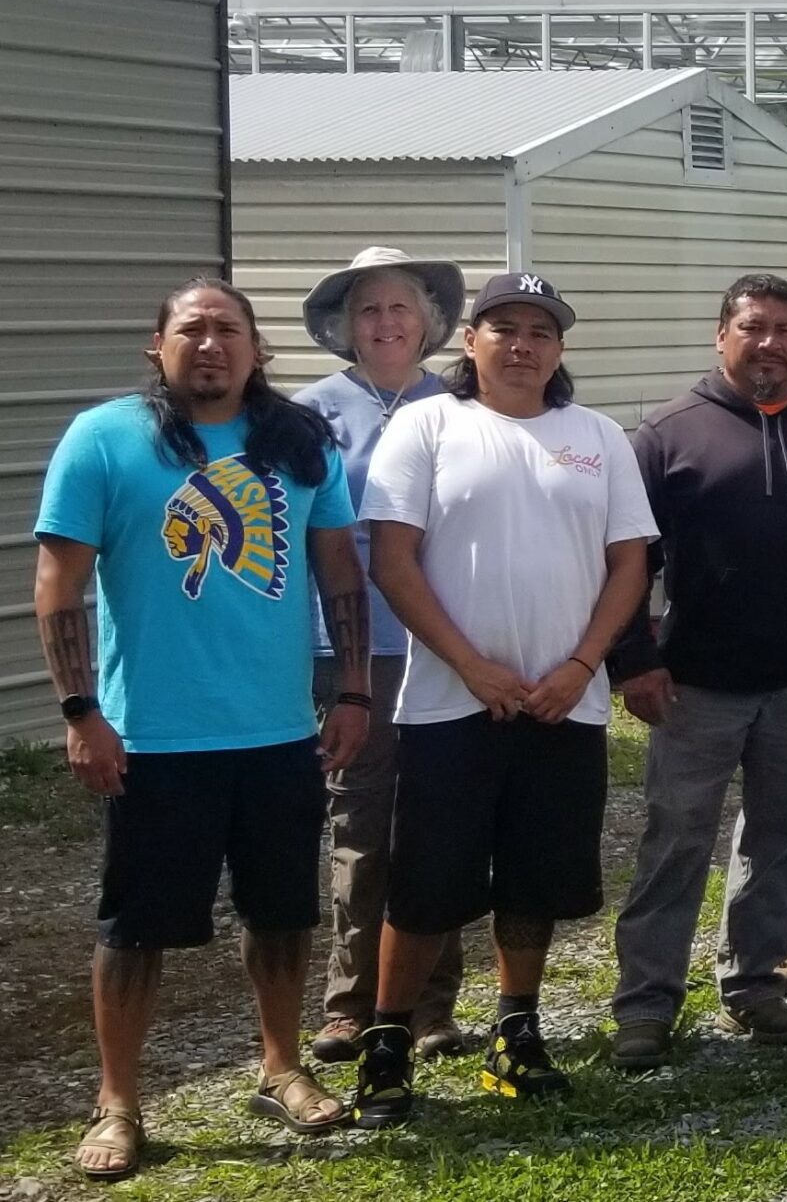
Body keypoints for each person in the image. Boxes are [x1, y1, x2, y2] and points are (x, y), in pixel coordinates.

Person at [36, 279, 366, 1178]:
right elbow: (59, 586)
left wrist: (353, 694)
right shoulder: (104, 438)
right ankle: (118, 1102)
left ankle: (282, 1066)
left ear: (256, 349)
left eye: (229, 329)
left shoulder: (299, 443)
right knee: (135, 925)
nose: (211, 344)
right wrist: (80, 713)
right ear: (158, 346)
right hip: (152, 741)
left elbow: (340, 574)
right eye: (192, 329)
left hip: (274, 734)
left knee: (283, 913)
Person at [350, 272, 656, 1125]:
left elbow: (630, 562)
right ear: (471, 340)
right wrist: (472, 666)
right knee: (424, 885)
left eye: (541, 332)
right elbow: (395, 561)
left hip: (565, 704)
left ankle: (515, 1029)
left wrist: (583, 664)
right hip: (453, 703)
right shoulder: (428, 424)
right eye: (505, 328)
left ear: (559, 349)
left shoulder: (596, 437)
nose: (523, 344)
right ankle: (387, 1041)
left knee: (535, 881)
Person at [606, 276, 787, 1069]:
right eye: (754, 327)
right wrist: (635, 658)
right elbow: (626, 559)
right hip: (695, 681)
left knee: (782, 838)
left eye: (786, 329)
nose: (770, 343)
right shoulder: (668, 433)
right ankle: (646, 1003)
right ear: (721, 336)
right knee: (676, 840)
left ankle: (754, 982)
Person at [291, 247, 472, 1065]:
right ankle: (347, 1003)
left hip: (446, 642)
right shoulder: (308, 414)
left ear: (429, 322)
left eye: (401, 308)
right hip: (357, 651)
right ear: (343, 328)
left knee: (438, 821)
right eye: (369, 311)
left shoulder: (463, 403)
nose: (387, 323)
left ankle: (432, 1006)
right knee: (358, 822)